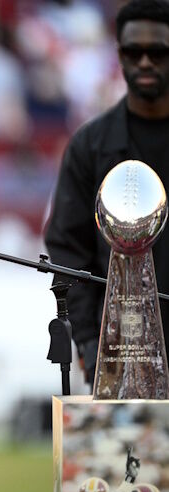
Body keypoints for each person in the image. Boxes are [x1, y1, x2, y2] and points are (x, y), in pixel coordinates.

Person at [45, 0, 169, 385]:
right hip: (117, 345)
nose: (145, 62)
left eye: (158, 52)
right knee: (122, 448)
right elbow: (67, 246)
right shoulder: (90, 145)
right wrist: (84, 336)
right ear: (119, 55)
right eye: (134, 52)